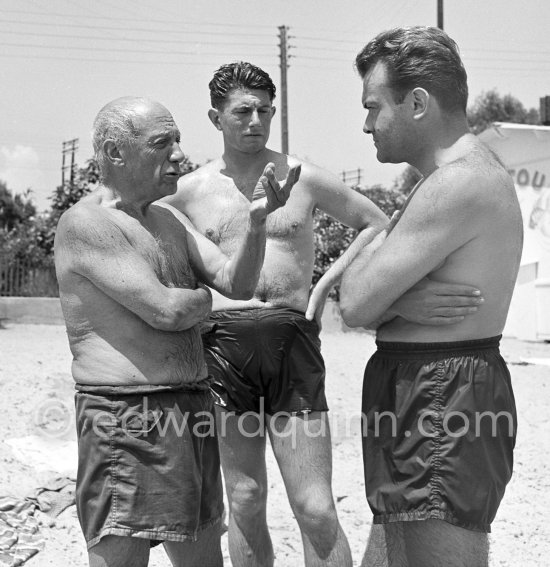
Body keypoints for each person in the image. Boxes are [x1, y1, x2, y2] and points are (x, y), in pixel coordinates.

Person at [163, 61, 484, 567]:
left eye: (265, 111)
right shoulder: (188, 191)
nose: (255, 121)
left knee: (314, 506)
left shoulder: (302, 176)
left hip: (292, 344)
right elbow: (125, 220)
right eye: (242, 111)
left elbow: (374, 223)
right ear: (215, 117)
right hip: (222, 350)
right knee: (245, 500)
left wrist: (326, 290)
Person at [54, 95, 300, 567]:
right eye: (161, 143)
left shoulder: (168, 218)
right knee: (122, 554)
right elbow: (166, 311)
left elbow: (238, 283)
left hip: (189, 409)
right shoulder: (86, 224)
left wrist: (256, 221)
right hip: (125, 418)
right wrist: (205, 299)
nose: (179, 156)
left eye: (178, 142)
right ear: (115, 152)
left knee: (204, 555)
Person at [339, 27, 523, 567]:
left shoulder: (455, 183)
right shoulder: (446, 179)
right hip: (427, 386)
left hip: (442, 393)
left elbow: (354, 303)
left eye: (374, 107)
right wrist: (401, 299)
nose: (367, 123)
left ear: (417, 103)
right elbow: (366, 298)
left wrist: (384, 288)